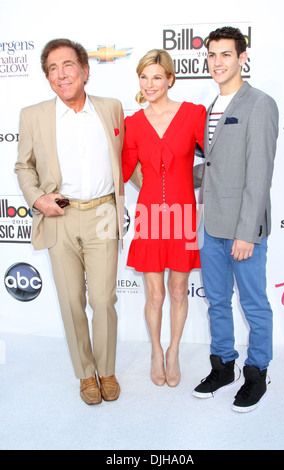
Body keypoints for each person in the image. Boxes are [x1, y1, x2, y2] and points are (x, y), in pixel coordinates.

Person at [15, 38, 125, 406]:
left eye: (67, 66)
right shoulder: (33, 115)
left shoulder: (111, 109)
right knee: (70, 301)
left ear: (85, 71)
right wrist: (36, 198)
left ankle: (106, 369)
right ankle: (85, 374)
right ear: (47, 77)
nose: (61, 75)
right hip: (59, 215)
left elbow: (130, 158)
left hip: (104, 213)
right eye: (52, 69)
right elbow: (23, 166)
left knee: (104, 298)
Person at [192, 27, 279, 412]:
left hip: (242, 230)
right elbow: (212, 166)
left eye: (226, 54)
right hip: (210, 226)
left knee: (254, 303)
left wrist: (247, 233)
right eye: (212, 55)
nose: (217, 62)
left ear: (243, 57)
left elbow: (259, 173)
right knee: (217, 302)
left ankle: (257, 370)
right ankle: (223, 365)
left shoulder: (259, 103)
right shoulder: (211, 106)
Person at [122, 49, 206, 387]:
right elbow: (124, 169)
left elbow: (216, 153)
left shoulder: (193, 114)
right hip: (151, 215)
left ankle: (174, 351)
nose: (150, 83)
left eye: (157, 76)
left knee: (179, 291)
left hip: (183, 212)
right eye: (144, 77)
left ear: (170, 79)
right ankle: (156, 350)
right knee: (154, 295)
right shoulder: (133, 123)